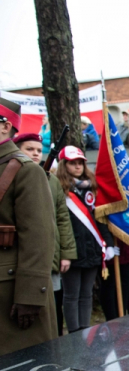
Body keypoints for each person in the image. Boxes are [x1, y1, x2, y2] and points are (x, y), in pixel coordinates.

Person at [0, 98, 57, 355]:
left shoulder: (25, 170)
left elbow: (39, 238)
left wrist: (31, 296)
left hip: (11, 290)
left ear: (5, 126)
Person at [13, 133, 75, 337]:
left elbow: (62, 219)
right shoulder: (15, 176)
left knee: (53, 304)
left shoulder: (52, 181)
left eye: (39, 150)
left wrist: (66, 252)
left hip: (52, 254)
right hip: (26, 257)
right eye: (29, 149)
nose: (35, 154)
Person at [57, 145, 114, 332]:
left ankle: (85, 329)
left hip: (93, 247)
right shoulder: (59, 189)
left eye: (80, 162)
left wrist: (109, 244)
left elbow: (100, 218)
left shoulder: (92, 186)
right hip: (71, 249)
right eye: (72, 163)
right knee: (72, 294)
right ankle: (73, 332)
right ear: (64, 165)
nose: (77, 166)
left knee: (87, 293)